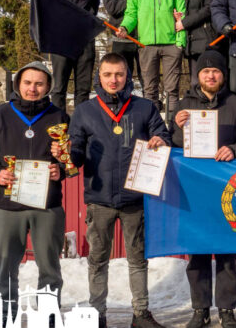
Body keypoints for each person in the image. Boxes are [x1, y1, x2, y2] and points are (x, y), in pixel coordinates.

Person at [65, 53, 171, 328]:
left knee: (137, 259)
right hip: (99, 200)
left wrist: (161, 138)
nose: (114, 80)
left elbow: (164, 135)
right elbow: (75, 154)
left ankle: (141, 314)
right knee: (98, 260)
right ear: (99, 76)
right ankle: (97, 314)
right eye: (108, 74)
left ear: (128, 77)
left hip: (135, 198)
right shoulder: (84, 111)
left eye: (119, 74)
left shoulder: (145, 108)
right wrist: (68, 153)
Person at [169, 50, 236, 328]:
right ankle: (200, 309)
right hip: (195, 187)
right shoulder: (186, 103)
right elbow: (173, 143)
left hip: (227, 187)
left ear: (223, 75)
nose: (211, 75)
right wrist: (176, 126)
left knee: (226, 250)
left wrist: (234, 149)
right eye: (206, 71)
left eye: (216, 71)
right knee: (196, 250)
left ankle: (226, 309)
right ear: (198, 76)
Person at [0, 62, 68, 326]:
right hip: (6, 206)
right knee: (5, 268)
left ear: (48, 86)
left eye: (39, 83)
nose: (33, 88)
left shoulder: (59, 117)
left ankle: (48, 319)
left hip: (47, 207)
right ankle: (6, 318)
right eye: (27, 82)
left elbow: (73, 157)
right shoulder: (0, 114)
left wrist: (60, 170)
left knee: (50, 269)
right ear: (18, 85)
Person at [117, 0, 187, 114]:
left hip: (171, 43)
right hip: (146, 44)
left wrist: (180, 42)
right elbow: (131, 13)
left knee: (171, 90)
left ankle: (171, 128)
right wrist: (125, 27)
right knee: (150, 90)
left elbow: (182, 13)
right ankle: (152, 128)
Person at [45, 0, 99, 112]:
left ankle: (80, 127)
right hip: (61, 40)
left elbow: (94, 7)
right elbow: (44, 8)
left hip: (84, 39)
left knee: (83, 88)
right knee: (58, 87)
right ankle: (59, 126)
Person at [181, 0, 221, 88]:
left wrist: (184, 23)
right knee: (194, 82)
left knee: (207, 82)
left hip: (205, 37)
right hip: (191, 39)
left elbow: (208, 8)